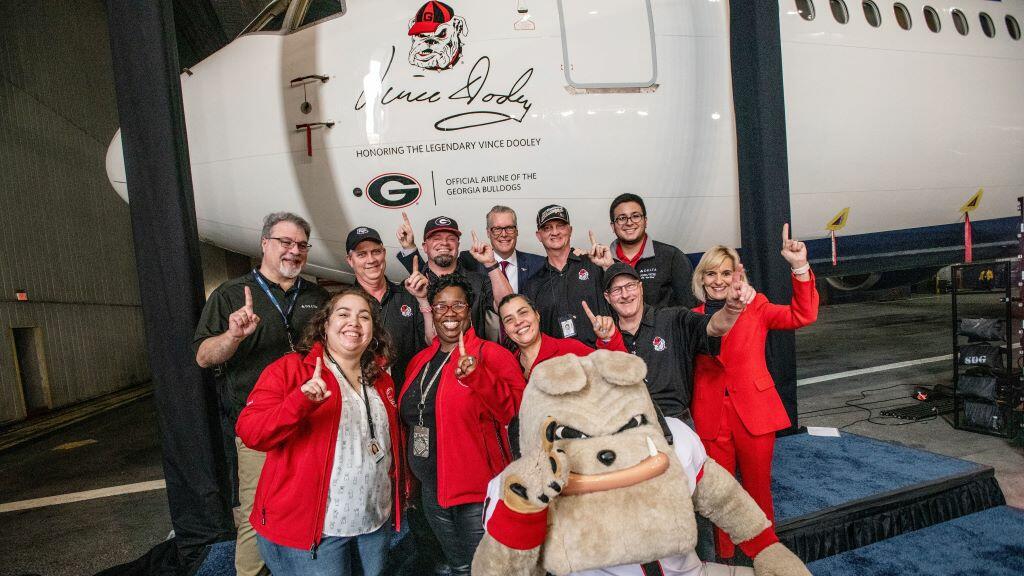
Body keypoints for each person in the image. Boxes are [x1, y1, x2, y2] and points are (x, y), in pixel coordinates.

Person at [193, 212, 329, 576]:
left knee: (312, 510)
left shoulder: (317, 296)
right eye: (285, 242)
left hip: (311, 422)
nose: (294, 251)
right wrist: (233, 336)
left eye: (301, 245)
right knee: (257, 515)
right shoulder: (231, 295)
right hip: (260, 428)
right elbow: (204, 357)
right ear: (265, 244)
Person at [236, 288, 405, 576]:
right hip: (317, 529)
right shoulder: (291, 370)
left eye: (364, 317)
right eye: (343, 314)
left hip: (373, 521)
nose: (354, 322)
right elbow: (251, 431)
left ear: (372, 332)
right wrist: (298, 402)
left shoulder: (380, 381)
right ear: (324, 326)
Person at [690, 225, 819, 560]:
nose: (718, 280)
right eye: (711, 273)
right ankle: (726, 559)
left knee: (759, 492)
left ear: (738, 276)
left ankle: (765, 555)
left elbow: (803, 314)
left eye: (726, 272)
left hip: (755, 413)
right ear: (701, 279)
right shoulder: (689, 319)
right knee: (719, 496)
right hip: (711, 417)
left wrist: (799, 267)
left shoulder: (757, 306)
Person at [398, 273, 525, 576]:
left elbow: (517, 413)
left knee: (489, 570)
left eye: (458, 305)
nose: (449, 313)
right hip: (432, 491)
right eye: (441, 306)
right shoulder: (420, 361)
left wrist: (479, 376)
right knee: (458, 568)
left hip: (476, 492)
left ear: (470, 310)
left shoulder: (491, 354)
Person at [603, 262, 752, 427]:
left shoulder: (674, 319)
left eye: (630, 286)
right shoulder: (606, 336)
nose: (625, 294)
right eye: (617, 290)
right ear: (607, 297)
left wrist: (731, 308)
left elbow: (715, 327)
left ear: (641, 288)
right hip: (629, 427)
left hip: (675, 421)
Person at [395, 214, 513, 342]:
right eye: (436, 238)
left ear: (458, 245)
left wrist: (490, 263)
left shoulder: (478, 281)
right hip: (427, 360)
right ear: (424, 246)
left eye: (451, 238)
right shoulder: (411, 286)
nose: (444, 243)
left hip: (473, 358)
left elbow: (508, 306)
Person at [345, 226, 433, 388]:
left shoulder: (409, 296)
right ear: (350, 261)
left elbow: (432, 341)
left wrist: (423, 300)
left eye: (376, 252)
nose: (371, 260)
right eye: (362, 254)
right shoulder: (342, 306)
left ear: (384, 253)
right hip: (364, 397)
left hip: (408, 397)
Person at [524, 204, 615, 347]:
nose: (555, 232)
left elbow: (624, 296)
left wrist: (608, 266)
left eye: (560, 226)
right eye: (547, 228)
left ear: (570, 230)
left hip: (600, 358)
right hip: (559, 365)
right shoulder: (533, 285)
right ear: (539, 236)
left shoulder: (595, 264)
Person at [398, 206, 546, 292]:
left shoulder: (539, 264)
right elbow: (433, 271)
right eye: (497, 229)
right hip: (485, 343)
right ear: (488, 232)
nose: (503, 234)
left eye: (509, 228)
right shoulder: (470, 260)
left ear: (517, 230)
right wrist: (409, 247)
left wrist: (570, 258)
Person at [497, 293, 625, 379]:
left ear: (537, 315)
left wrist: (608, 339)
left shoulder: (570, 349)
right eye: (509, 319)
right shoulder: (508, 366)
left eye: (523, 312)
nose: (518, 322)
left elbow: (619, 372)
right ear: (506, 331)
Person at [608, 193, 696, 308]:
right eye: (622, 218)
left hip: (664, 325)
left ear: (645, 221)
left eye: (635, 216)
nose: (629, 222)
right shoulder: (603, 262)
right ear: (613, 226)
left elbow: (690, 306)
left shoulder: (672, 256)